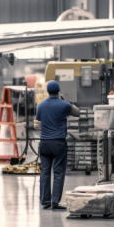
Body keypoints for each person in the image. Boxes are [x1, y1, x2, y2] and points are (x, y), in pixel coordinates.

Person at [37, 80, 80, 210]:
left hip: (44, 143)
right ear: (58, 91)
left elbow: (38, 121)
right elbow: (77, 113)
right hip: (58, 143)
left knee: (44, 172)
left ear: (48, 91)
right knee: (58, 172)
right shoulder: (64, 105)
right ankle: (54, 202)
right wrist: (65, 100)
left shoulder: (40, 106)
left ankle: (45, 201)